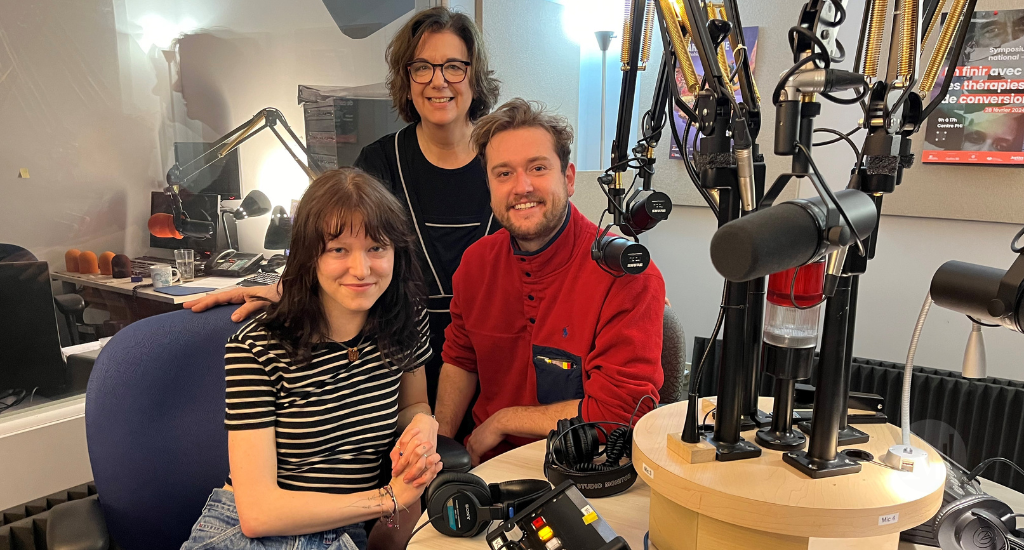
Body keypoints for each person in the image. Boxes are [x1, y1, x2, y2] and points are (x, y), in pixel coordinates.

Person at [184, 8, 500, 437]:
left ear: (474, 75)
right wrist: (288, 289)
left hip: (497, 353)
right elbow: (346, 247)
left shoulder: (503, 160)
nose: (437, 80)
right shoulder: (379, 162)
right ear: (407, 78)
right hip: (402, 361)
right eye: (422, 67)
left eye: (454, 66)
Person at [180, 169, 443, 550]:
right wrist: (387, 497)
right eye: (339, 250)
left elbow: (414, 403)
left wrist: (424, 425)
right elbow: (258, 514)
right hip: (250, 532)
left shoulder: (405, 319)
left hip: (346, 526)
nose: (361, 269)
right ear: (309, 256)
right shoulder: (256, 349)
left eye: (376, 247)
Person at [435, 99, 665, 465]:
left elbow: (620, 410)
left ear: (568, 178)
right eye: (504, 173)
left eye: (538, 168)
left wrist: (503, 421)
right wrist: (440, 450)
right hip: (486, 468)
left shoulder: (626, 277)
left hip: (583, 470)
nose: (522, 187)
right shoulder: (475, 264)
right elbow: (461, 361)